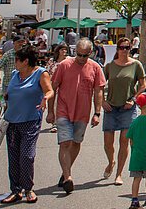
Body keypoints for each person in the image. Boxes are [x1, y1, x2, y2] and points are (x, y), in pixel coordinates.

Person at [48, 38, 106, 194]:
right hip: (63, 110)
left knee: (76, 143)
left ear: (90, 53)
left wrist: (97, 113)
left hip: (82, 112)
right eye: (79, 55)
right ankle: (68, 177)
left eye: (84, 55)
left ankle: (65, 170)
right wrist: (50, 111)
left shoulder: (95, 67)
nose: (81, 58)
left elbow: (98, 91)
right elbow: (52, 88)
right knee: (65, 143)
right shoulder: (64, 65)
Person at [2, 44, 53, 204]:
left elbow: (50, 90)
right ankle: (15, 190)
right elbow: (10, 93)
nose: (14, 62)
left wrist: (46, 98)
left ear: (26, 61)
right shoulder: (15, 74)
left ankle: (28, 189)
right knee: (13, 157)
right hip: (12, 121)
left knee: (26, 156)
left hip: (30, 121)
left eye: (17, 60)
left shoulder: (40, 73)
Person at [103, 35, 146, 186]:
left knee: (124, 140)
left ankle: (119, 173)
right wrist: (102, 102)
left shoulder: (136, 65)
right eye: (121, 48)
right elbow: (100, 85)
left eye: (127, 48)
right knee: (108, 143)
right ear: (117, 49)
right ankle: (111, 162)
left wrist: (134, 99)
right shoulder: (110, 66)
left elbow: (143, 85)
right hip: (111, 106)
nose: (124, 51)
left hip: (128, 107)